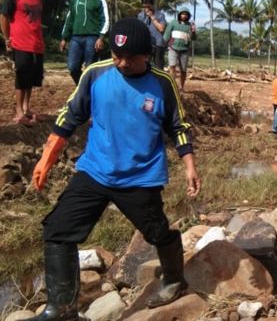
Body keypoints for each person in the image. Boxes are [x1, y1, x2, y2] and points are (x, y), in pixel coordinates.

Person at [23, 18, 200, 321]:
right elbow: (70, 114)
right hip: (95, 170)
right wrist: (47, 157)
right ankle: (62, 309)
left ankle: (174, 279)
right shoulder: (96, 73)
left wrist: (189, 166)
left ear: (146, 54)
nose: (121, 63)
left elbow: (178, 126)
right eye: (117, 56)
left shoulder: (161, 83)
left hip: (140, 177)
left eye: (130, 57)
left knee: (157, 232)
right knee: (57, 230)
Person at [0, 0, 45, 126]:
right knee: (22, 77)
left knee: (31, 78)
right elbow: (4, 17)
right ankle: (19, 111)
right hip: (20, 44)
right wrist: (7, 39)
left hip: (37, 44)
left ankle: (26, 108)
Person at [60, 0, 109, 85]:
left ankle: (89, 91)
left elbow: (105, 20)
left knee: (89, 67)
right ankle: (83, 87)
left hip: (92, 38)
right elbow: (69, 19)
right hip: (75, 38)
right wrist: (64, 38)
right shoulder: (75, 0)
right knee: (72, 67)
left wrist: (101, 38)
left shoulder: (99, 0)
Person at [163, 7, 196, 91]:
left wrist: (193, 31)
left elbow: (194, 38)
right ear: (179, 15)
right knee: (172, 66)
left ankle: (182, 86)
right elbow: (167, 35)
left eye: (186, 14)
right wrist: (164, 44)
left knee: (183, 69)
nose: (184, 16)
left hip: (184, 50)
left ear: (188, 16)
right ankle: (173, 85)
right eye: (182, 14)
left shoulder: (189, 26)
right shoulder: (173, 23)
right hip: (173, 48)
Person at [137, 0, 167, 69]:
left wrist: (152, 17)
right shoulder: (140, 15)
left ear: (152, 5)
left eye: (148, 6)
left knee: (159, 66)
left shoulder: (160, 15)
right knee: (144, 66)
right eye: (144, 7)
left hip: (158, 44)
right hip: (146, 44)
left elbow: (161, 29)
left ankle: (159, 81)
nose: (146, 9)